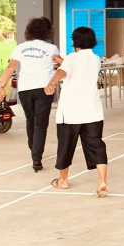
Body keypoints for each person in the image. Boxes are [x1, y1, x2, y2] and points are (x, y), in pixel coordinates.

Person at [44, 27, 108, 197]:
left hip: (70, 112)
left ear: (75, 41)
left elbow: (62, 71)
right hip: (92, 111)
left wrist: (51, 83)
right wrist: (62, 61)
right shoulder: (95, 59)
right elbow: (77, 68)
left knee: (66, 146)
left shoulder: (72, 58)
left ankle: (63, 181)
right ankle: (102, 181)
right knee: (97, 146)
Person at [0, 17, 60, 173]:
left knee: (31, 120)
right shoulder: (52, 48)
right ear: (47, 31)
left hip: (25, 90)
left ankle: (33, 148)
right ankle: (36, 158)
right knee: (40, 123)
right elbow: (59, 64)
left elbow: (11, 68)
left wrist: (1, 87)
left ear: (29, 30)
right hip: (44, 89)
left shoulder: (20, 48)